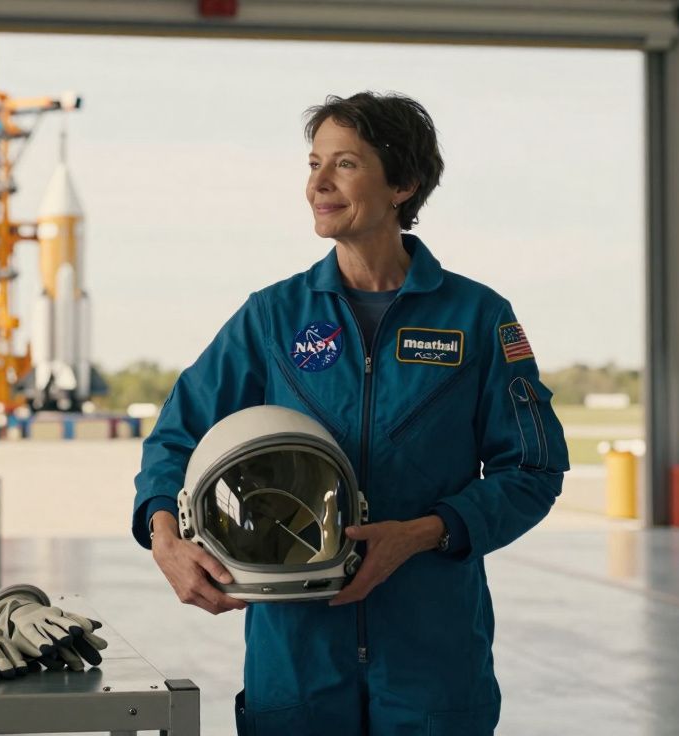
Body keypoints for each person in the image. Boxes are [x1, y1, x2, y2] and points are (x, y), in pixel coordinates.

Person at [133, 92, 569, 735]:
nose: (317, 183)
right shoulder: (273, 317)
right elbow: (178, 433)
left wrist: (422, 533)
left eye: (344, 163)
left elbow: (533, 467)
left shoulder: (477, 317)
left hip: (432, 650)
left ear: (404, 184)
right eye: (313, 163)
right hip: (296, 652)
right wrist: (164, 533)